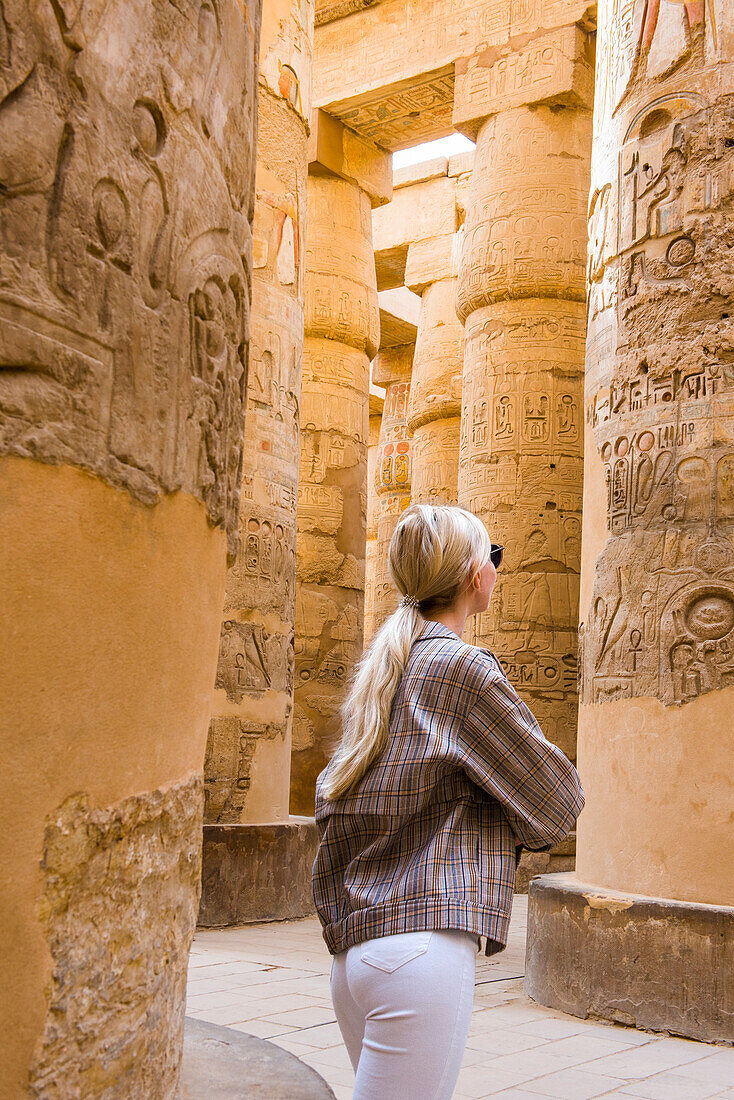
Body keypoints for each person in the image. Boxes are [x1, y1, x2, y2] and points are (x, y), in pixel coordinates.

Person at [312, 504, 584, 1100]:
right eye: (494, 556)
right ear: (473, 575)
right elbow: (559, 801)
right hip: (420, 949)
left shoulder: (388, 666)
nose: (496, 569)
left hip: (356, 953)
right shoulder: (460, 667)